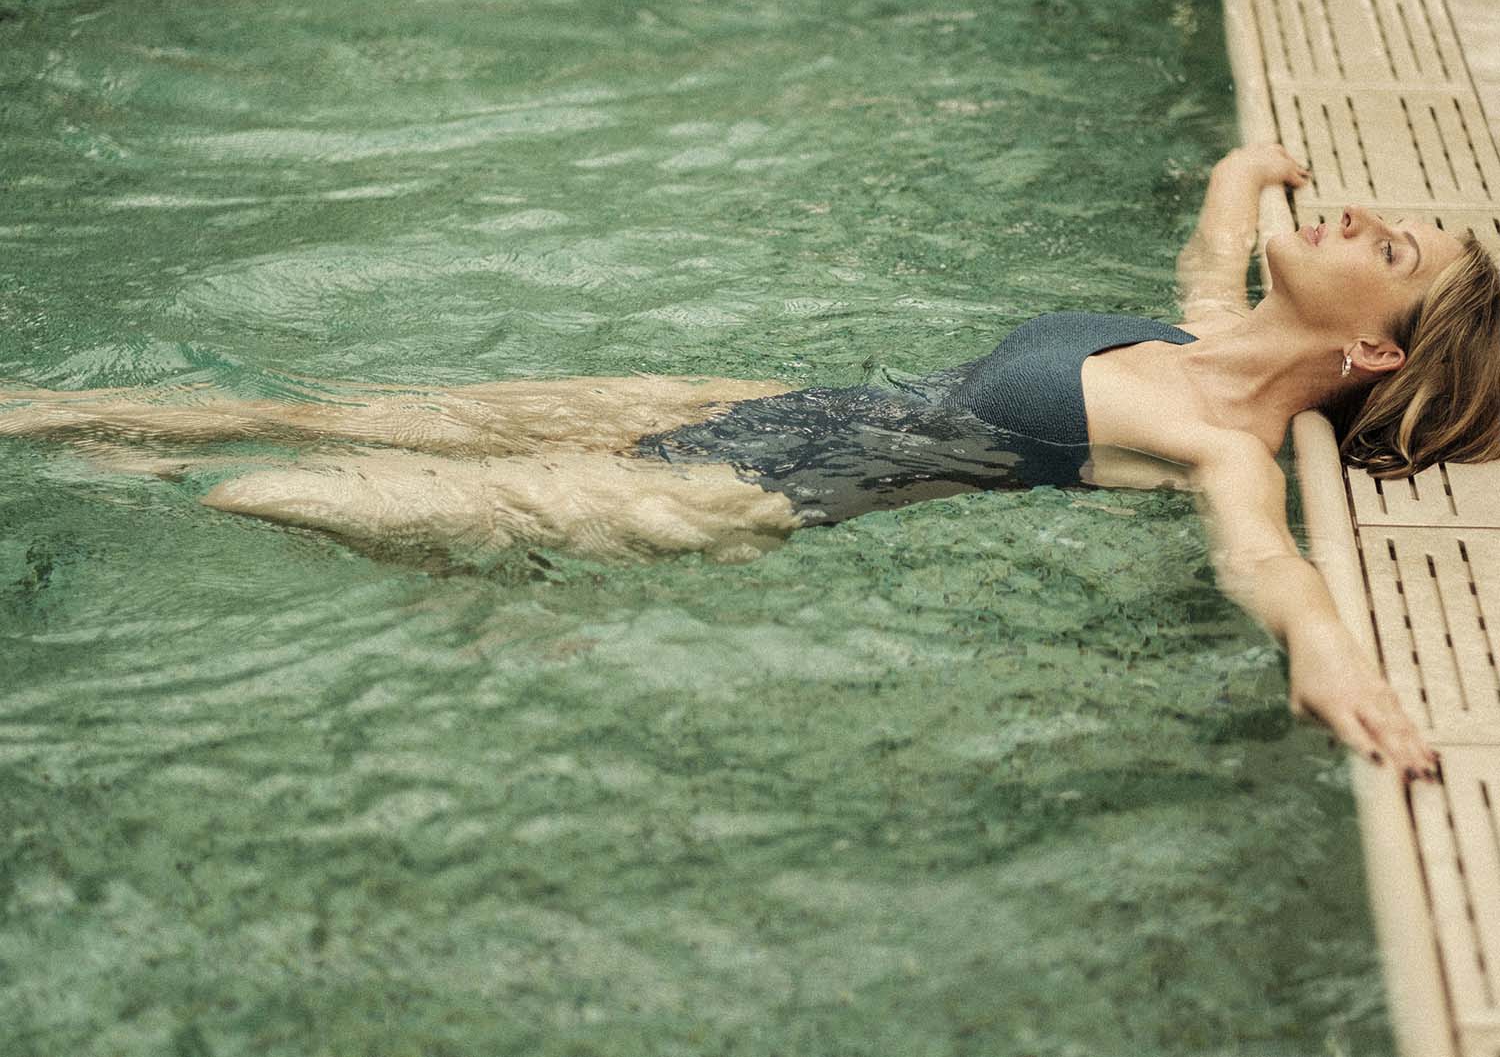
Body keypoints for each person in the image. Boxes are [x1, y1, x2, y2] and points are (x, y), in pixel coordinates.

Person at [4, 144, 1497, 782]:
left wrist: (1322, 653)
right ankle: (41, 419)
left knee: (269, 492)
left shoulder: (1224, 440)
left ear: (1371, 355)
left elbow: (1264, 553)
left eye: (1392, 251)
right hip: (760, 399)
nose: (1365, 216)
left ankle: (122, 482)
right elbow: (1211, 256)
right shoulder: (1208, 336)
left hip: (742, 496)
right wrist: (1243, 175)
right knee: (348, 409)